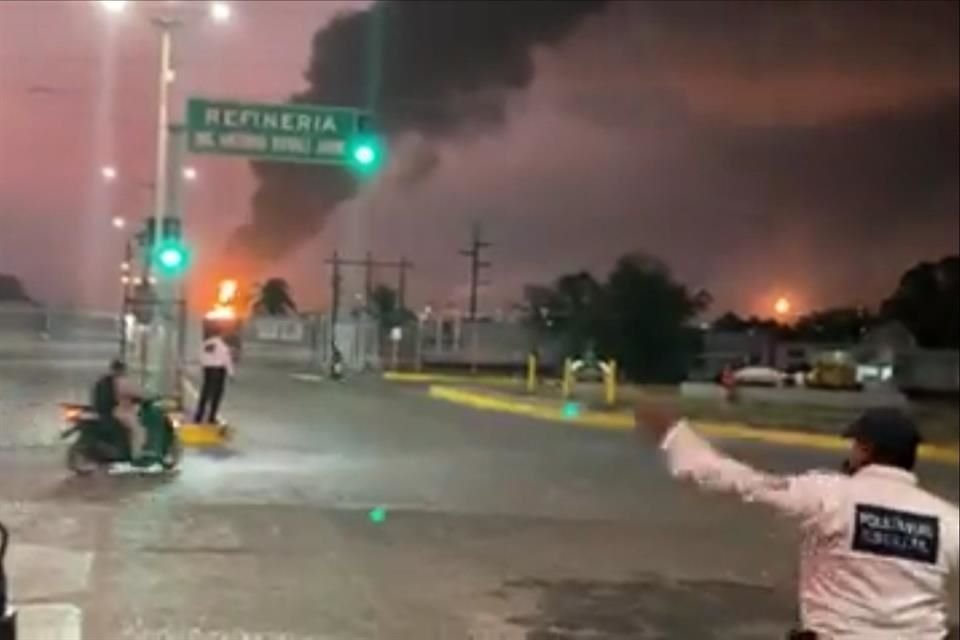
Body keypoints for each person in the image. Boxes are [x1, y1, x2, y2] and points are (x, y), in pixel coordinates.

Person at [635, 402, 960, 639]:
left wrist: (677, 436)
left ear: (864, 449)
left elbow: (741, 484)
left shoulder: (829, 495)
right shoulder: (948, 521)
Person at [91, 359, 146, 459]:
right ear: (122, 369)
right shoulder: (123, 381)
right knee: (138, 431)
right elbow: (139, 394)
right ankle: (136, 456)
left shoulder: (106, 380)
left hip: (112, 411)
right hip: (122, 412)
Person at [194, 330, 234, 424]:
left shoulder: (205, 344)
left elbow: (200, 357)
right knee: (217, 394)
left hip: (208, 370)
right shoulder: (222, 346)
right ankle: (211, 417)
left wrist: (203, 367)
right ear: (221, 334)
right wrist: (231, 373)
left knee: (205, 393)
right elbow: (226, 360)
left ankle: (198, 416)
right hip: (218, 371)